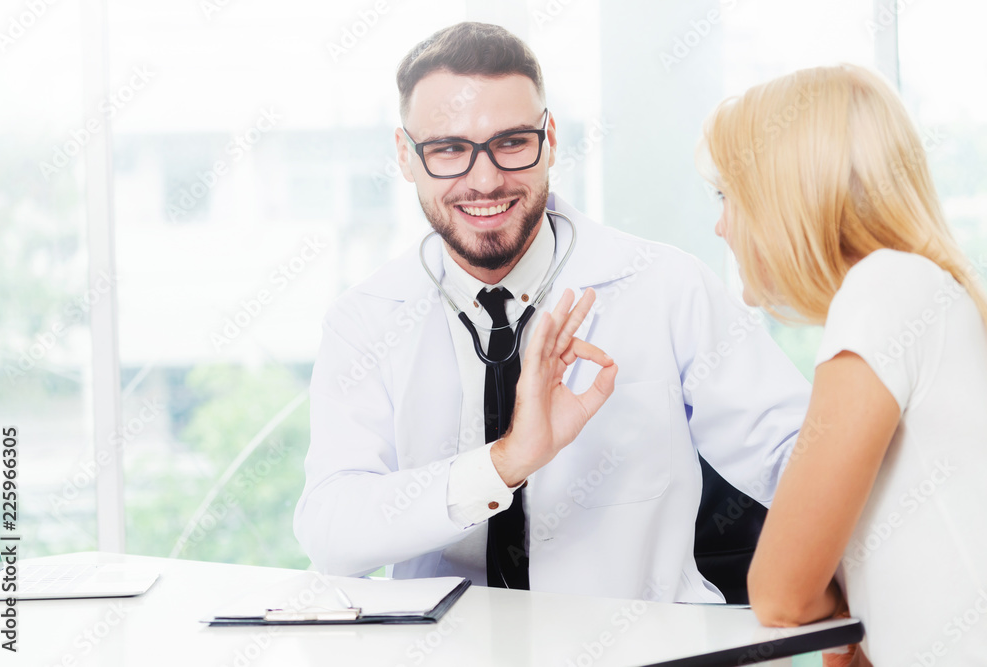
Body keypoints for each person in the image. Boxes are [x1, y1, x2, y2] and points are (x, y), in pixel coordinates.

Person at [294, 22, 810, 603]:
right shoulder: (366, 318)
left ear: (551, 138)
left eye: (512, 143)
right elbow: (332, 529)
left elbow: (796, 458)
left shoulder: (666, 286)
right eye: (449, 150)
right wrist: (504, 464)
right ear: (405, 156)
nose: (484, 180)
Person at [699, 64, 987, 664]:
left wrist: (828, 607)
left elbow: (779, 593)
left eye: (729, 195)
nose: (721, 224)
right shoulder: (920, 292)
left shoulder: (884, 288)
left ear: (790, 194)